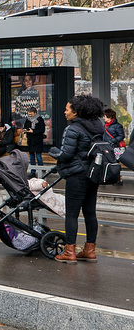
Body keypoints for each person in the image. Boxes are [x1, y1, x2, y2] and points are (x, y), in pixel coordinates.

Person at [48, 95, 106, 263]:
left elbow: (66, 155)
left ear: (76, 112)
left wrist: (54, 152)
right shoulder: (98, 127)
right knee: (90, 213)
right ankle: (90, 250)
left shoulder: (73, 129)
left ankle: (69, 251)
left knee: (72, 214)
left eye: (67, 109)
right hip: (93, 174)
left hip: (76, 175)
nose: (64, 112)